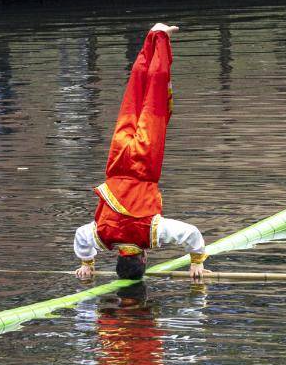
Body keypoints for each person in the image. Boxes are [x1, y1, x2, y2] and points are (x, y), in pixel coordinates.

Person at [73, 23, 209, 281]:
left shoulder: (151, 233)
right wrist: (87, 262)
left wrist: (196, 262)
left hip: (144, 163)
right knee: (134, 96)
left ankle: (160, 38)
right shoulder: (102, 236)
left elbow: (191, 233)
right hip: (116, 162)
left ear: (143, 258)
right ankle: (151, 38)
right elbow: (81, 235)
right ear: (118, 258)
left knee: (154, 98)